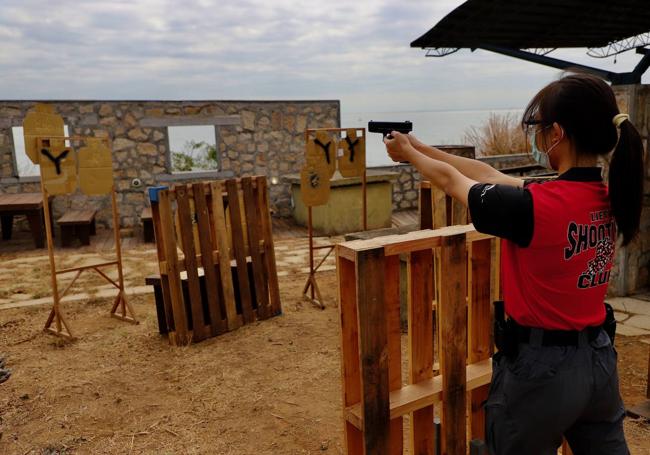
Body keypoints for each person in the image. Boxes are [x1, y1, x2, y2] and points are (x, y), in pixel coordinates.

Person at [383, 71, 643, 455]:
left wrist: (408, 156)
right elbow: (487, 174)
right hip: (599, 360)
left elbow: (454, 183)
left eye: (538, 128)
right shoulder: (603, 196)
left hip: (541, 371)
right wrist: (417, 146)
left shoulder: (536, 206)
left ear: (557, 133)